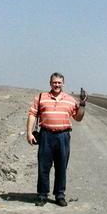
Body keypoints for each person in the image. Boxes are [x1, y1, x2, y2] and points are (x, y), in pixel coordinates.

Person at [26, 72, 87, 206]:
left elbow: (78, 118)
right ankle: (42, 195)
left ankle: (59, 195)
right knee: (43, 167)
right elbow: (32, 114)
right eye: (54, 82)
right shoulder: (41, 97)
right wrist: (29, 133)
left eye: (59, 82)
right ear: (50, 83)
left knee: (61, 167)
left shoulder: (70, 100)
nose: (57, 85)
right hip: (46, 135)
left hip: (63, 136)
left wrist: (82, 105)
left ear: (63, 84)